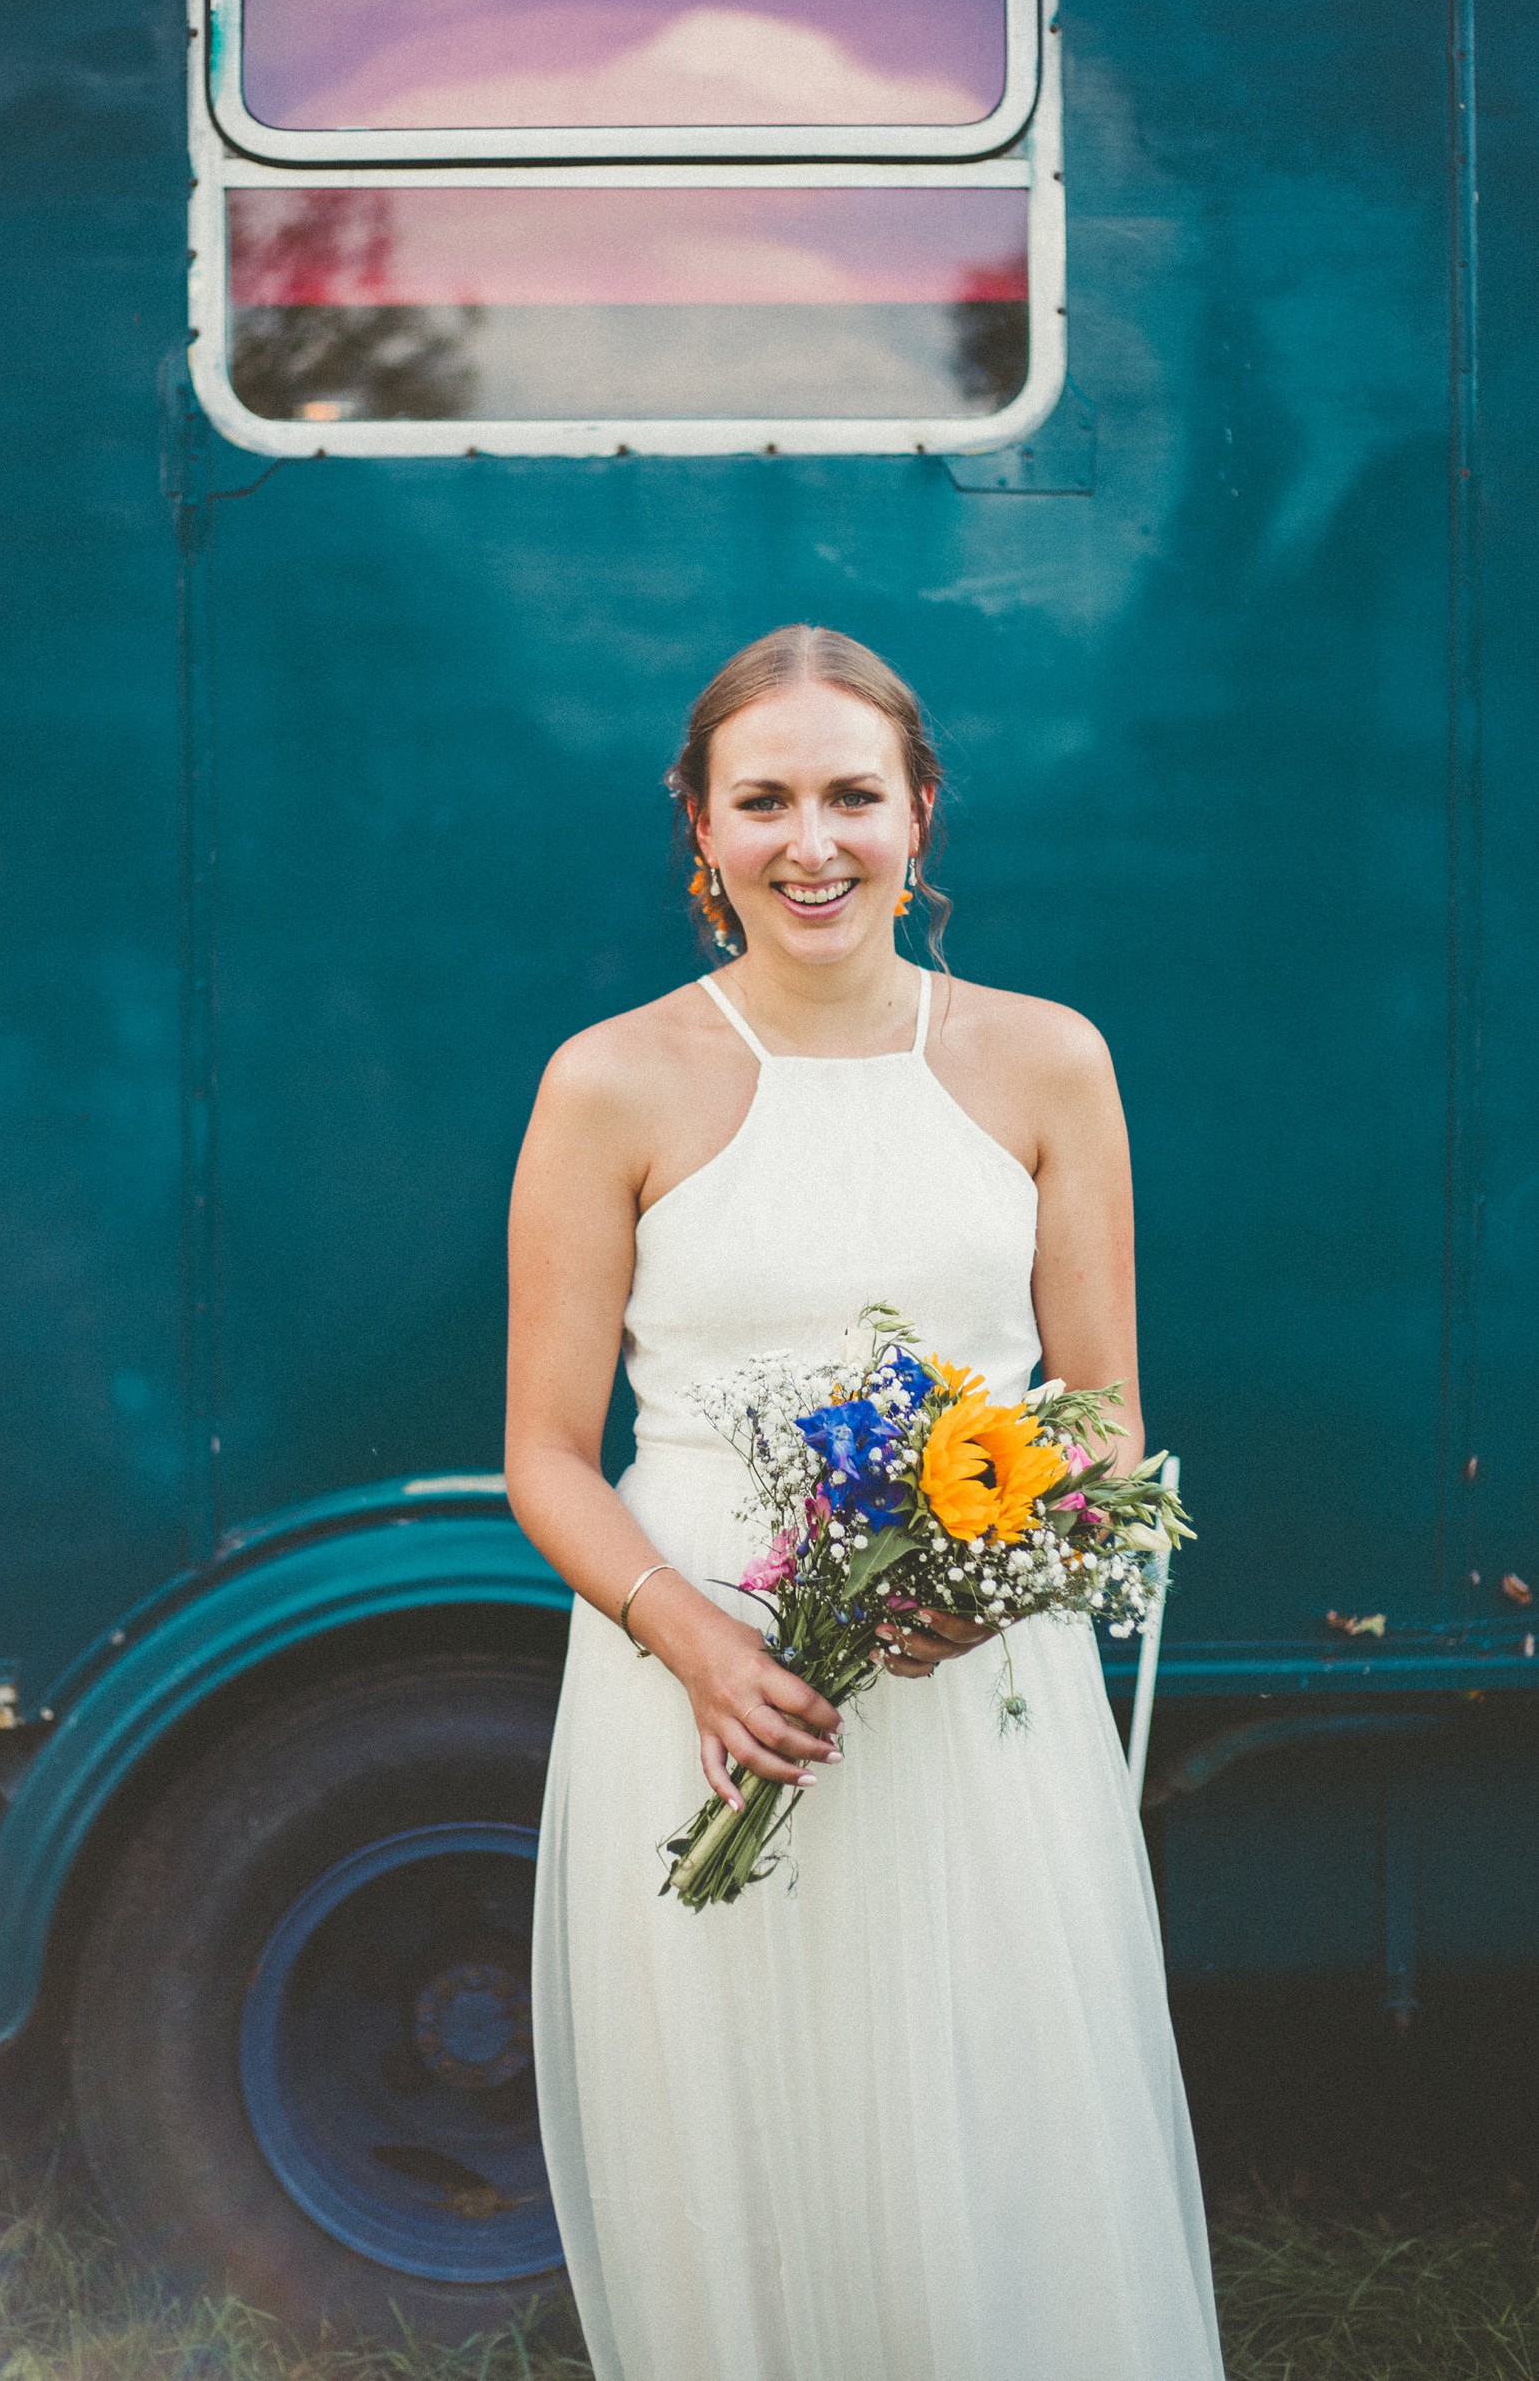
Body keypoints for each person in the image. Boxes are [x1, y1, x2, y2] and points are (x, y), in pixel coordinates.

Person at [505, 624, 1224, 2381]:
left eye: (852, 794)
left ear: (923, 816)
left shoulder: (1049, 1060)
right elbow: (544, 1447)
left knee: (990, 2128)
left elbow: (1106, 1416)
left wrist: (1003, 1575)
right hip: (704, 1698)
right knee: (745, 2138)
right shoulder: (609, 1080)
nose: (810, 841)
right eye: (764, 799)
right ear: (699, 824)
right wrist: (689, 1640)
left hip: (968, 1694)